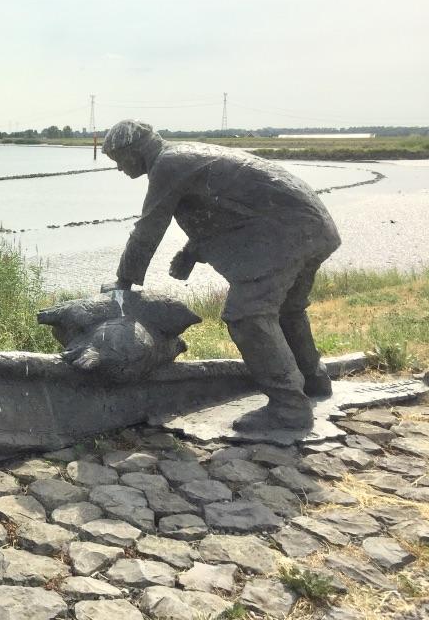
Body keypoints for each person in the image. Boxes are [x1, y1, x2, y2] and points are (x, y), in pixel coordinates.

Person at [101, 119, 341, 431]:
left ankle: (289, 407)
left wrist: (124, 280)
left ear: (133, 151)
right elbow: (228, 211)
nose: (120, 168)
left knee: (247, 316)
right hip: (312, 227)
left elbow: (149, 227)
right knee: (287, 309)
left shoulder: (168, 165)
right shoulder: (184, 157)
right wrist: (191, 253)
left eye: (118, 160)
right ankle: (314, 381)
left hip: (288, 233)